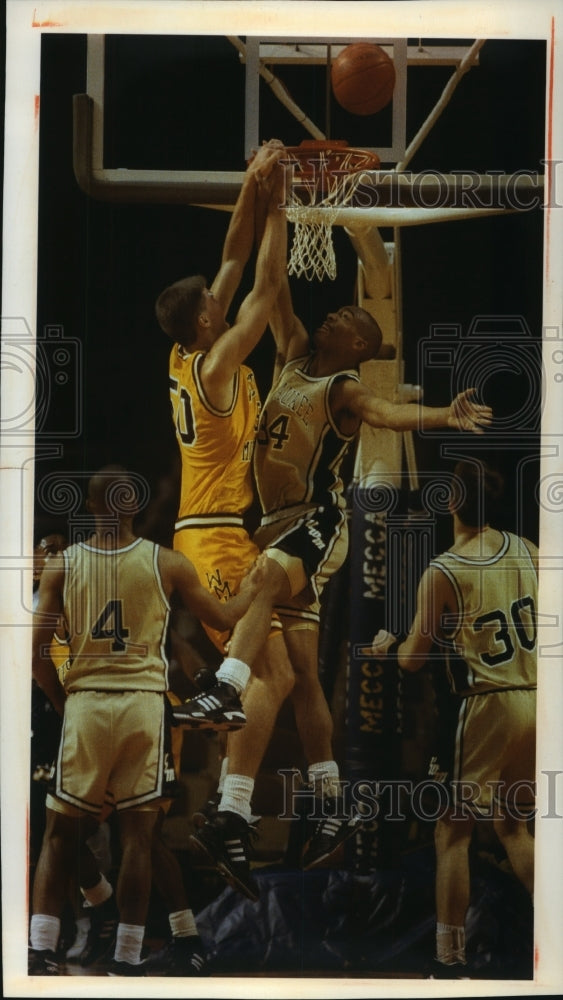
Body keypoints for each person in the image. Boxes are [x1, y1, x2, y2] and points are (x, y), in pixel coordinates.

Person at [179, 252, 494, 880]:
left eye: (346, 315)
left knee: (263, 580)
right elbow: (276, 293)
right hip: (275, 523)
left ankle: (228, 687)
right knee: (299, 674)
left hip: (317, 521)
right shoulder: (294, 355)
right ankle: (325, 802)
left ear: (357, 342)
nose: (333, 314)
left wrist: (440, 415)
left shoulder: (343, 388)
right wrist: (280, 212)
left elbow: (384, 413)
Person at [28, 465, 265, 976]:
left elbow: (36, 657)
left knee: (58, 833)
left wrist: (64, 703)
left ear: (89, 508)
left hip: (86, 705)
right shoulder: (168, 563)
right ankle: (126, 950)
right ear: (135, 507)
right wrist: (258, 589)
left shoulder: (62, 567)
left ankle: (46, 944)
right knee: (138, 837)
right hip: (142, 708)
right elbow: (224, 619)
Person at [155, 142, 295, 902]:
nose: (221, 296)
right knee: (277, 574)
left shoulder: (185, 355)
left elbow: (234, 262)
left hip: (218, 528)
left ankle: (229, 815)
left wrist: (252, 182)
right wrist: (280, 203)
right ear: (206, 322)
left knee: (277, 675)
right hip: (208, 534)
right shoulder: (212, 368)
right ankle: (219, 686)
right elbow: (267, 283)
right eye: (214, 300)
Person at [371, 459, 537, 975]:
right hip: (539, 697)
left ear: (448, 503)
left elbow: (414, 659)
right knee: (513, 826)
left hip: (487, 704)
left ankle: (448, 959)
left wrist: (388, 646)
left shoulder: (444, 568)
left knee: (451, 832)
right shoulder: (531, 551)